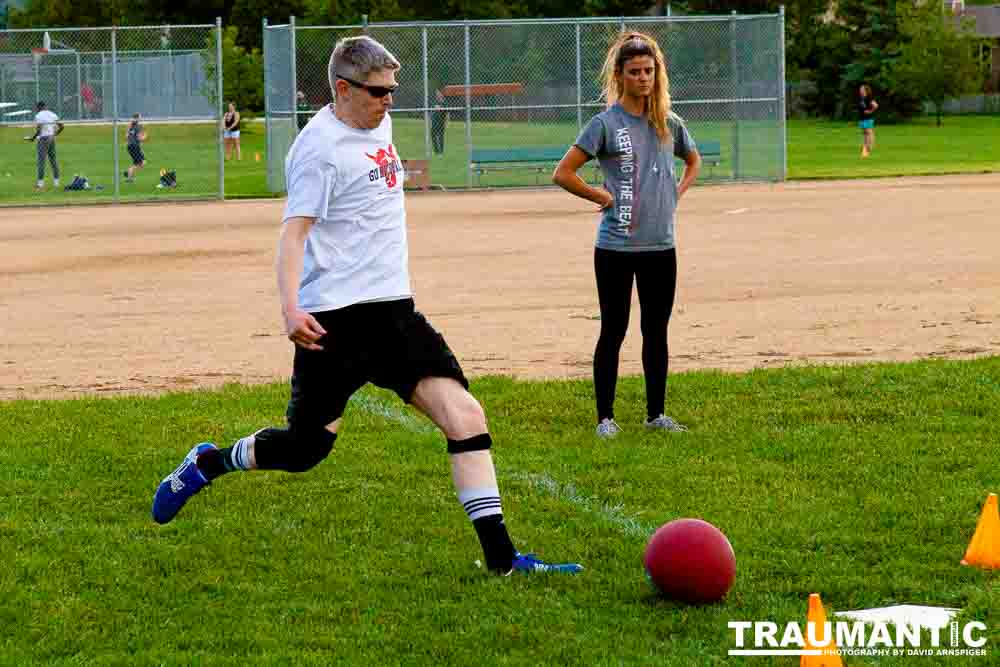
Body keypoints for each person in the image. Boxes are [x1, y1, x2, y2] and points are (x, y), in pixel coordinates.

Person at [151, 35, 582, 577]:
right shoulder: (318, 151)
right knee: (304, 451)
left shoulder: (374, 120)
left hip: (395, 314)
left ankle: (503, 561)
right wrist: (289, 308)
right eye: (378, 91)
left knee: (466, 417)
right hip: (335, 322)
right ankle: (209, 462)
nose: (389, 100)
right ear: (343, 88)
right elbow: (294, 234)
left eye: (393, 90)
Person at [552, 32, 701, 439]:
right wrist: (600, 195)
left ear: (658, 73)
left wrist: (677, 191)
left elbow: (693, 159)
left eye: (649, 71)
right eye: (634, 72)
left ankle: (657, 414)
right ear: (620, 76)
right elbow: (563, 173)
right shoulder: (605, 124)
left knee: (656, 330)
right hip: (616, 247)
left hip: (660, 246)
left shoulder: (670, 122)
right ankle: (606, 418)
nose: (643, 79)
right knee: (613, 329)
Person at [25, 101, 64, 190]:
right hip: (51, 138)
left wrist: (33, 138)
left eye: (36, 108)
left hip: (43, 139)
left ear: (39, 107)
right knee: (53, 160)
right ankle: (56, 183)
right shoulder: (52, 114)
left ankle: (40, 184)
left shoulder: (38, 116)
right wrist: (55, 134)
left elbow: (39, 130)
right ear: (45, 106)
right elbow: (62, 126)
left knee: (41, 161)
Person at [124, 113, 146, 183]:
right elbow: (139, 138)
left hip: (129, 146)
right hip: (135, 146)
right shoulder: (139, 126)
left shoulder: (129, 126)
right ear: (137, 118)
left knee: (137, 162)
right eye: (140, 117)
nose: (141, 118)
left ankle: (130, 177)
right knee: (142, 163)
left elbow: (126, 136)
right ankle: (129, 173)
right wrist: (145, 136)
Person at [858, 84, 878, 158]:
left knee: (869, 132)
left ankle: (868, 149)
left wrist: (870, 111)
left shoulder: (869, 98)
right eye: (860, 89)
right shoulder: (861, 98)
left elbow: (875, 105)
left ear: (865, 90)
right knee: (865, 133)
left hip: (868, 118)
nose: (860, 90)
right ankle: (865, 149)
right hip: (862, 118)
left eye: (862, 89)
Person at [431, 89, 447, 154]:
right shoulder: (434, 102)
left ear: (441, 94)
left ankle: (441, 151)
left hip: (441, 122)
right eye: (436, 93)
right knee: (433, 135)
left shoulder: (444, 102)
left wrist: (446, 123)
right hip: (434, 122)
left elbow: (447, 113)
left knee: (440, 136)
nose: (437, 94)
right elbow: (431, 112)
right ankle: (436, 151)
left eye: (438, 93)